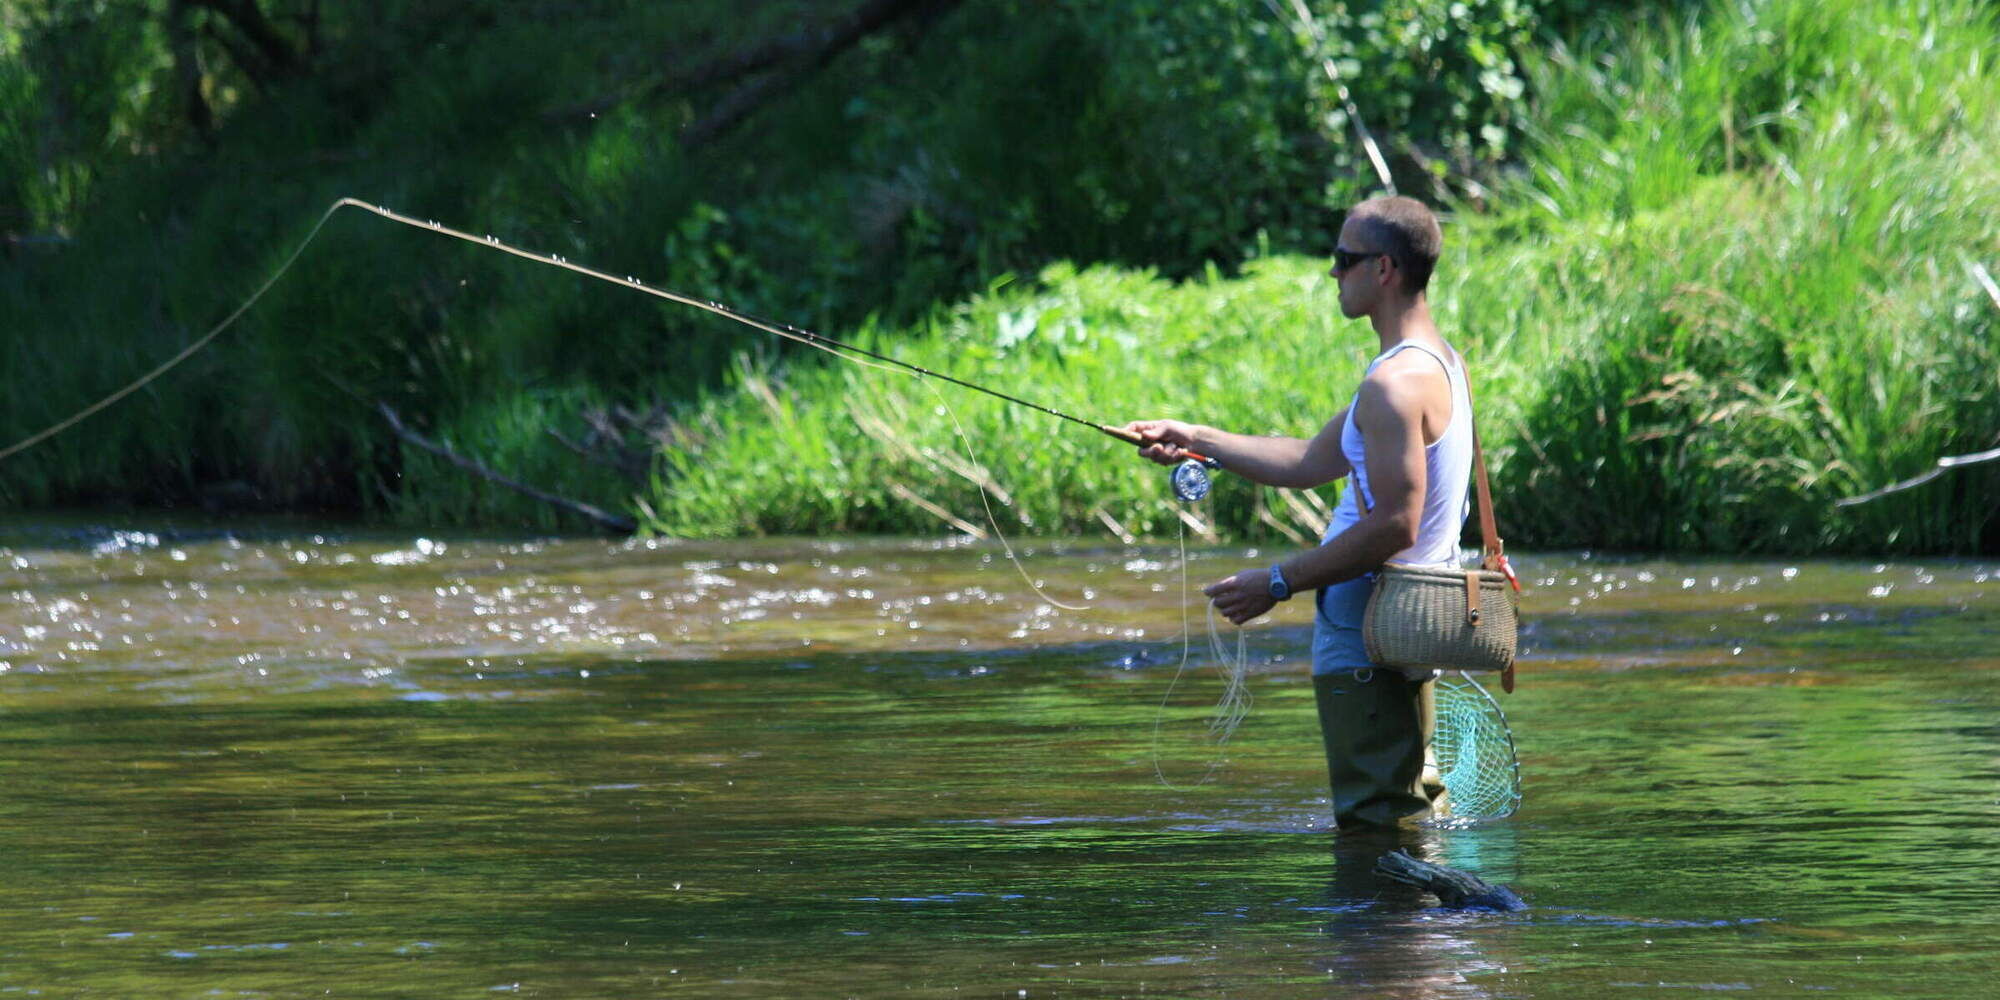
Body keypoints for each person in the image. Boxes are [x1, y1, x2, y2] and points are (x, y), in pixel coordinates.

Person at [1123, 195, 1474, 828]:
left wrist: (1277, 582)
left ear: (1385, 270)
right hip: (1409, 620)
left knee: (1376, 820)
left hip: (1367, 626)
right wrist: (1195, 438)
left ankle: (1391, 930)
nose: (1332, 273)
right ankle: (1427, 928)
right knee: (1410, 805)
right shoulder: (1439, 364)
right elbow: (1308, 460)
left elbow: (1398, 523)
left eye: (1344, 259)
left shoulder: (1392, 386)